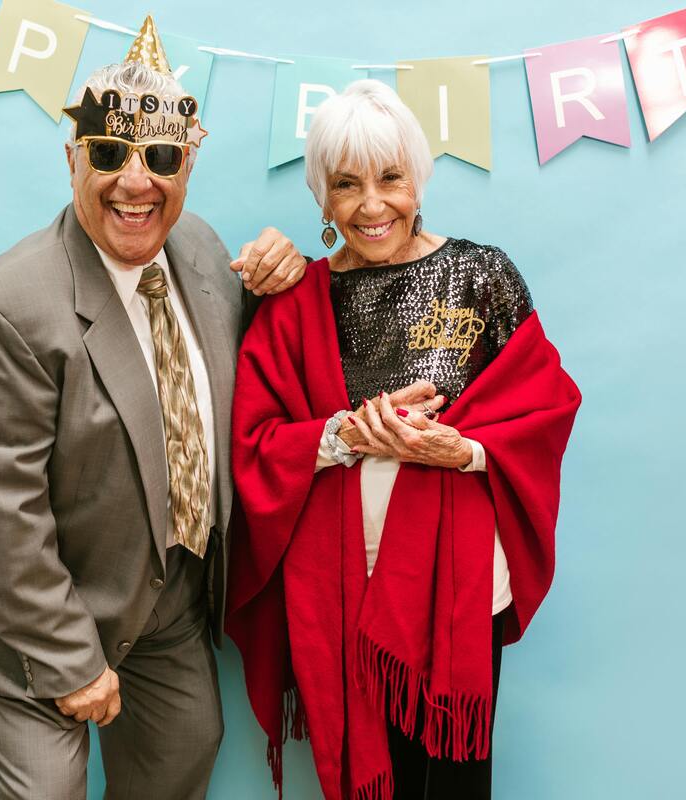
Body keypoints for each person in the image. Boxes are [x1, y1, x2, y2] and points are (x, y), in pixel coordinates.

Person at [0, 18, 307, 800]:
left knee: (187, 751)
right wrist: (72, 660)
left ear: (188, 164)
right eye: (109, 155)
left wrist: (287, 275)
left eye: (161, 159)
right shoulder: (9, 308)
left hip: (160, 597)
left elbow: (251, 376)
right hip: (31, 611)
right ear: (73, 159)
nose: (136, 184)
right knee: (43, 792)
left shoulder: (199, 249)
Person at [227, 80, 583, 800]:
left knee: (452, 783)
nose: (372, 204)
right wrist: (346, 434)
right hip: (340, 589)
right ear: (322, 199)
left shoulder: (481, 276)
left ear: (418, 177)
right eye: (346, 184)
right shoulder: (295, 302)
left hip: (458, 592)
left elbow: (546, 407)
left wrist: (467, 451)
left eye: (390, 178)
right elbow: (255, 446)